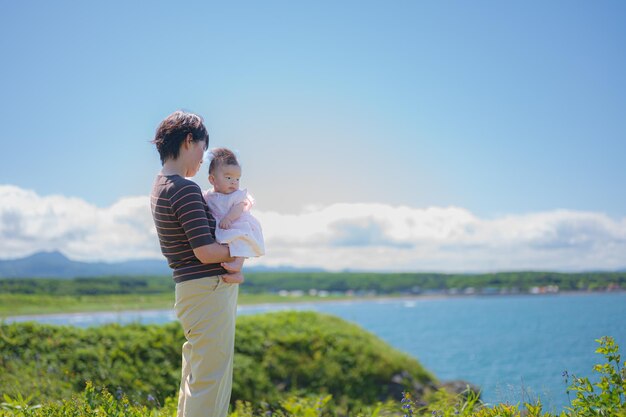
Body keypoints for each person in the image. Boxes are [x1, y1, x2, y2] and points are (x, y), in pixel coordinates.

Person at [150, 110, 241, 417]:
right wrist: (240, 250)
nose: (203, 160)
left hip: (191, 291)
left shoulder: (160, 185)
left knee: (196, 377)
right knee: (210, 381)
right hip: (207, 292)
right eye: (203, 149)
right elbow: (205, 252)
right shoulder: (185, 189)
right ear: (189, 141)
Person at [203, 148, 265, 282]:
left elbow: (239, 208)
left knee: (239, 240)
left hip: (236, 222)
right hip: (222, 225)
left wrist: (229, 218)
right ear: (212, 179)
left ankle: (238, 266)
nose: (234, 182)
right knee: (226, 245)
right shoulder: (208, 195)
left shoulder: (237, 195)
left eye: (237, 178)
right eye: (229, 177)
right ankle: (234, 273)